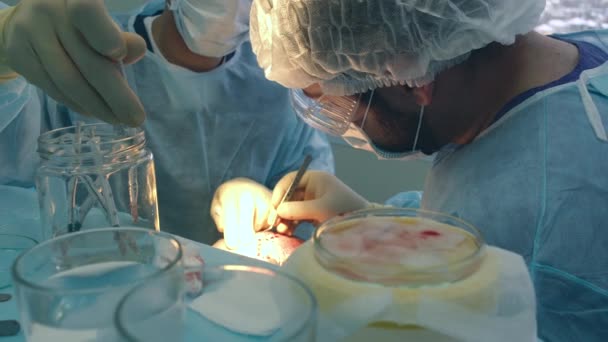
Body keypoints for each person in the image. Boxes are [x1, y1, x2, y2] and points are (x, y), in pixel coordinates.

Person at [211, 0, 608, 340]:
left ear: (410, 82)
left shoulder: (543, 222)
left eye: (338, 107)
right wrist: (373, 219)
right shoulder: (574, 61)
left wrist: (306, 291)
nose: (346, 126)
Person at [0, 0, 334, 244]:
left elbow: (306, 181)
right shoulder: (80, 53)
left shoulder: (282, 78)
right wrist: (3, 49)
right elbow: (12, 184)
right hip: (101, 286)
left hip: (236, 301)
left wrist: (269, 205)